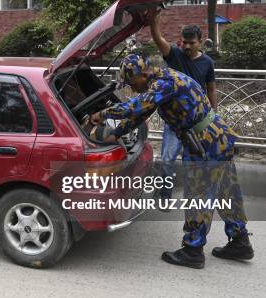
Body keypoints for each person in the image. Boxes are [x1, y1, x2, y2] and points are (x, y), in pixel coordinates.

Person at [90, 54, 253, 269]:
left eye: (131, 83)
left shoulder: (164, 83)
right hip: (218, 138)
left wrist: (101, 115)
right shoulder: (163, 80)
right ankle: (240, 241)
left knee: (198, 195)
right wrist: (116, 133)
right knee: (226, 191)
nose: (131, 87)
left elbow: (136, 106)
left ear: (142, 74)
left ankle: (192, 250)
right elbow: (142, 112)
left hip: (205, 143)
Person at [149, 12, 217, 199]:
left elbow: (211, 89)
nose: (187, 46)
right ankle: (164, 194)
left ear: (200, 42)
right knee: (166, 160)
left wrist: (214, 114)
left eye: (191, 43)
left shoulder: (207, 63)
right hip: (174, 121)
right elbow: (158, 39)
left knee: (196, 160)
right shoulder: (174, 55)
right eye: (184, 42)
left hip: (198, 122)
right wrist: (154, 20)